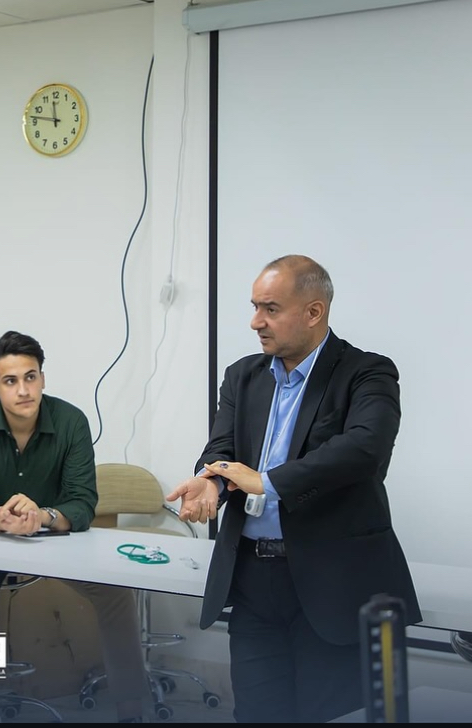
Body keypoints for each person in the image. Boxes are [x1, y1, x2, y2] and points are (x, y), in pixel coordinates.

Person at [166, 255, 420, 723]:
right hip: (252, 580)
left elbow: (365, 448)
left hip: (332, 581)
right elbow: (222, 447)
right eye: (254, 307)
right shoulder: (243, 375)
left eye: (270, 309)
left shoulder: (367, 372)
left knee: (327, 715)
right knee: (258, 713)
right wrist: (212, 480)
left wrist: (267, 481)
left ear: (313, 312)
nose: (255, 322)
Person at [0, 331, 150, 723]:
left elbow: (82, 502)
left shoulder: (71, 421)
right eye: (10, 381)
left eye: (31, 377)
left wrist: (42, 516)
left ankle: (131, 709)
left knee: (115, 590)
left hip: (47, 529)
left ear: (42, 378)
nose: (24, 390)